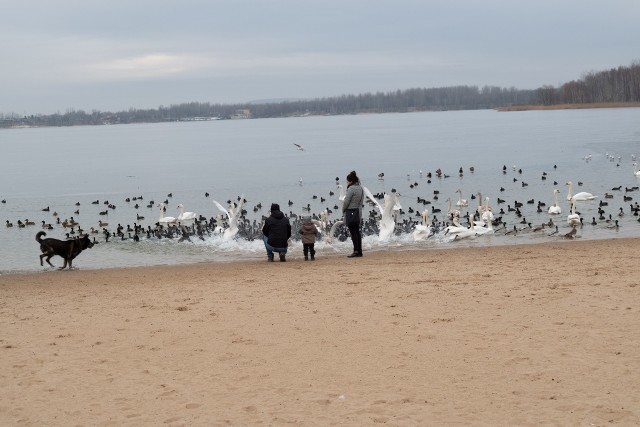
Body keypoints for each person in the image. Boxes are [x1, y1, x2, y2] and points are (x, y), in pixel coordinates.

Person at [342, 170, 364, 257]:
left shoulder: (351, 189)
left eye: (347, 181)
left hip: (351, 212)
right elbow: (361, 201)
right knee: (357, 231)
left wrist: (343, 209)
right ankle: (359, 250)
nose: (346, 182)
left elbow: (346, 201)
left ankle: (355, 251)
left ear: (350, 181)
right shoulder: (360, 188)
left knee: (353, 231)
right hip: (358, 212)